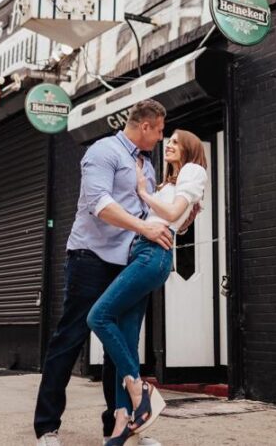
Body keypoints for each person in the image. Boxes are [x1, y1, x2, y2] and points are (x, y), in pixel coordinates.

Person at [34, 99, 176, 446]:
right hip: (90, 257)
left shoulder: (147, 166)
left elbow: (148, 212)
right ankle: (47, 427)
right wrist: (144, 230)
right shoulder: (104, 151)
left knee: (122, 343)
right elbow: (99, 204)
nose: (160, 138)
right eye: (158, 131)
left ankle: (121, 426)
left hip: (128, 262)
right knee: (70, 338)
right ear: (145, 126)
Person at [89, 130, 209, 445]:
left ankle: (139, 387)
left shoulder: (194, 171)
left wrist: (142, 191)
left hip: (153, 256)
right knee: (126, 342)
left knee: (98, 317)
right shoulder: (168, 183)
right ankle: (122, 424)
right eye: (166, 139)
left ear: (190, 148)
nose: (168, 143)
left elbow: (170, 215)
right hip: (140, 254)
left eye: (175, 140)